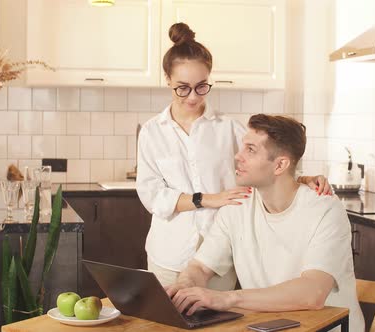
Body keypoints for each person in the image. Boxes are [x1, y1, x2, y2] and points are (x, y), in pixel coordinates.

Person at [136, 23, 331, 291]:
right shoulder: (151, 132)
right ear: (167, 79)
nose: (193, 97)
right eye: (182, 87)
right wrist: (208, 199)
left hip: (221, 256)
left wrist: (303, 179)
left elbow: (264, 166)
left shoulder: (229, 129)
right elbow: (152, 195)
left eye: (201, 86)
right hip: (168, 256)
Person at [165, 114, 365, 332]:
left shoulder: (325, 209)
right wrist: (185, 286)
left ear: (280, 165)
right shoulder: (237, 206)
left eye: (250, 150)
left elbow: (313, 293)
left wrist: (227, 299)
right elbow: (201, 267)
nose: (237, 156)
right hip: (269, 327)